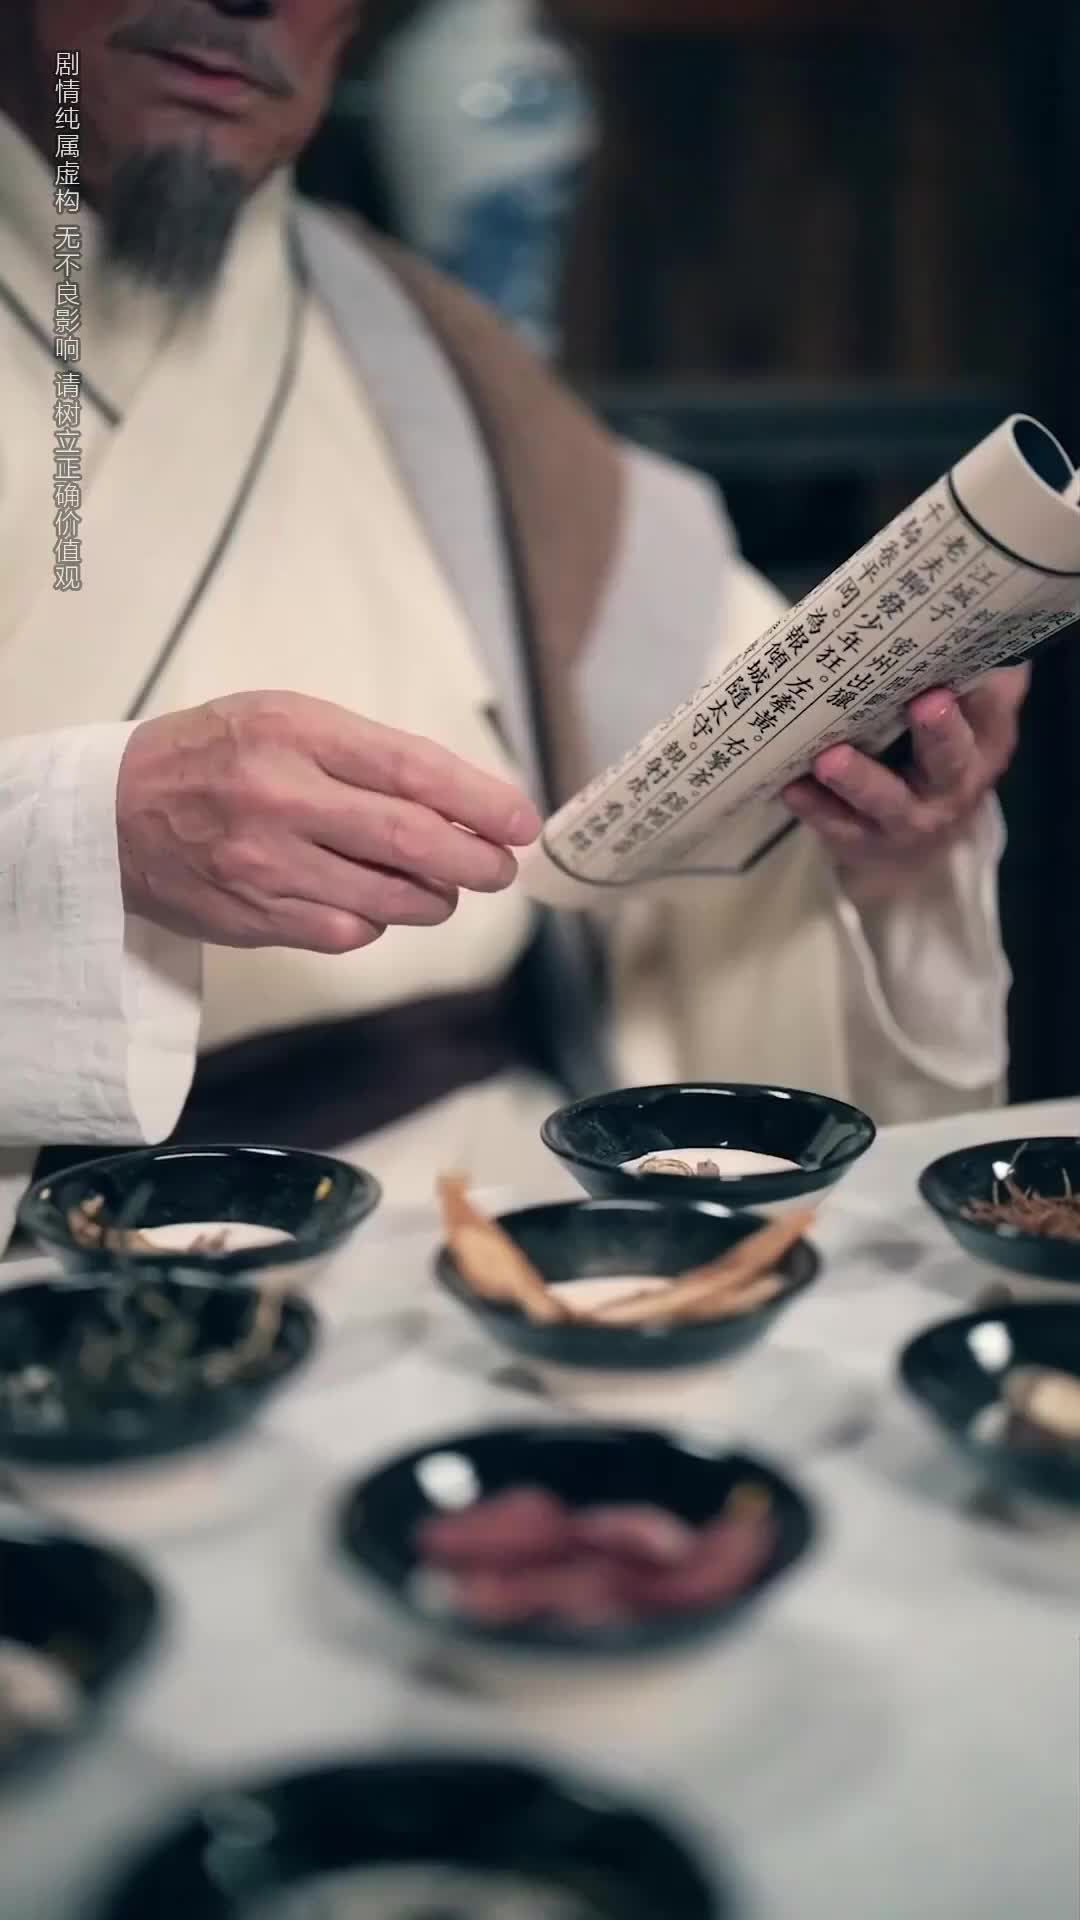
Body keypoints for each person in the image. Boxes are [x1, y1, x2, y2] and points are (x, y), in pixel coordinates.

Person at [0, 0, 1024, 1251]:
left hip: (491, 1220)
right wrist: (75, 834)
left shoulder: (432, 360)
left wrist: (884, 828)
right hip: (50, 1256)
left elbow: (729, 738)